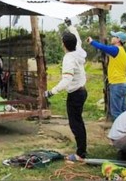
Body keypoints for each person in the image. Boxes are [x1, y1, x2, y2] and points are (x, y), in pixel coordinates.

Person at [44, 18, 88, 161]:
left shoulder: (69, 58)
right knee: (78, 121)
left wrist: (51, 92)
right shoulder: (79, 51)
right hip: (81, 91)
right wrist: (70, 25)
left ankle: (80, 154)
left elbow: (66, 80)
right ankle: (81, 150)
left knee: (75, 123)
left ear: (63, 44)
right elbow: (77, 36)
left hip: (75, 94)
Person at [86, 31, 126, 120]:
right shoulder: (122, 51)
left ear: (118, 40)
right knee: (123, 110)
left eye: (114, 36)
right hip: (123, 83)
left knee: (116, 112)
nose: (112, 38)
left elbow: (103, 47)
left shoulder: (116, 49)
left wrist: (92, 42)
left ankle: (119, 131)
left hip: (117, 84)